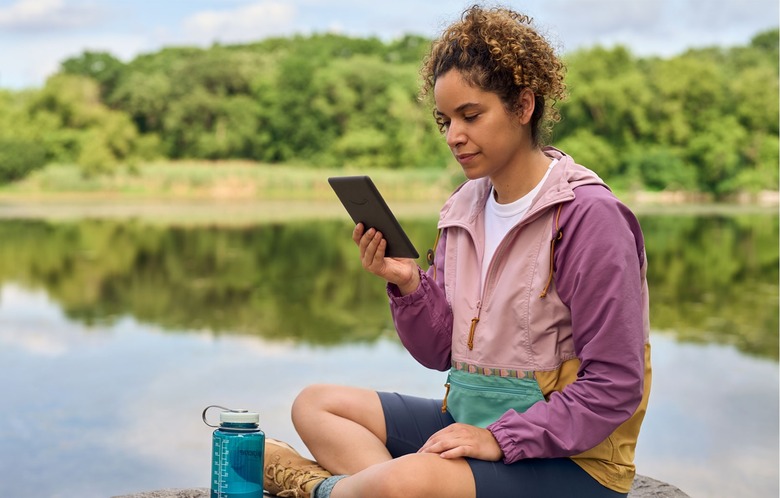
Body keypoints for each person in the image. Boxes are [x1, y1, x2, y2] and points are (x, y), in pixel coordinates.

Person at [262, 5, 652, 498]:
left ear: (524, 106)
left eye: (470, 115)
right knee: (316, 404)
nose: (454, 136)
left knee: (408, 480)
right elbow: (439, 353)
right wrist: (407, 284)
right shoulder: (462, 209)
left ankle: (316, 489)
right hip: (469, 420)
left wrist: (499, 437)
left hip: (573, 461)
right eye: (444, 120)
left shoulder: (589, 217)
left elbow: (615, 385)